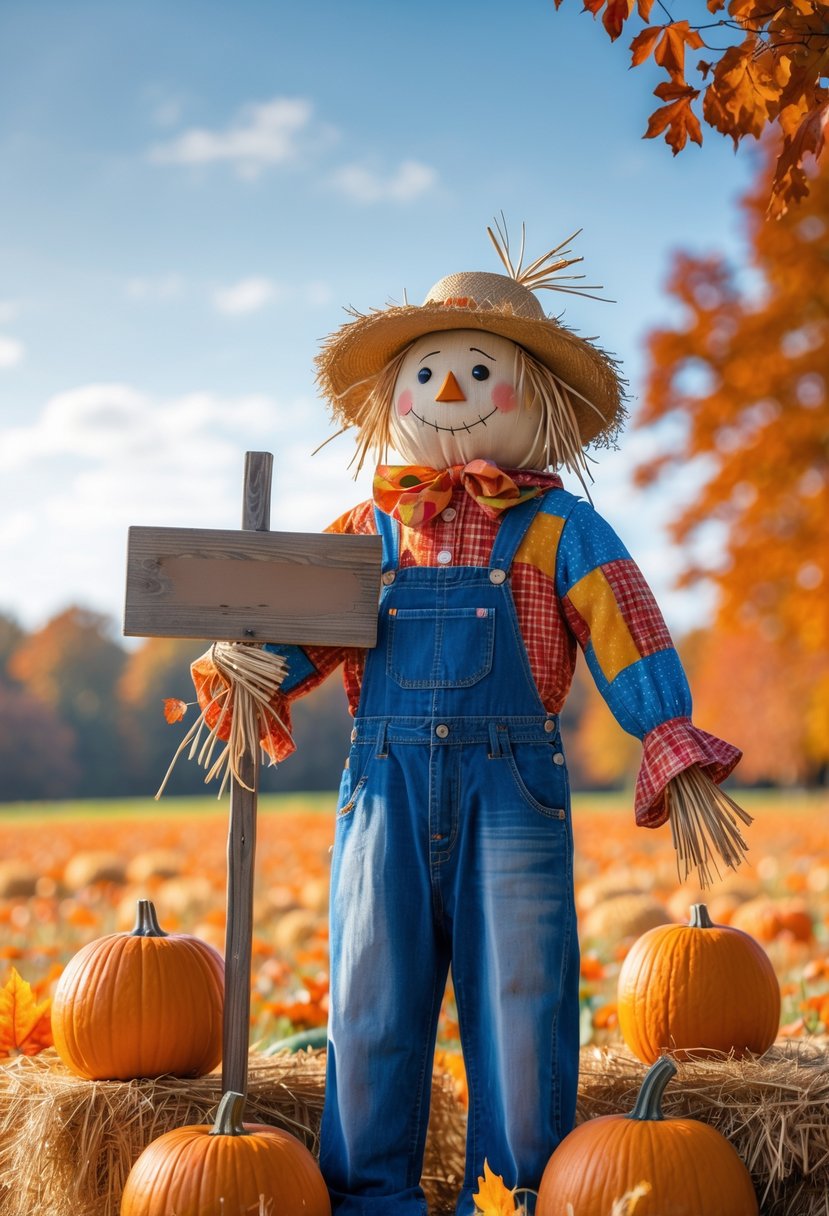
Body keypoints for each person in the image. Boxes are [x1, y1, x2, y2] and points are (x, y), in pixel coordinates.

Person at [194, 226, 745, 1215]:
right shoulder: (365, 533)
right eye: (430, 373)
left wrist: (666, 730)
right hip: (383, 790)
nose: (448, 392)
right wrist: (248, 669)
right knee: (370, 995)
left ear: (532, 398)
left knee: (521, 998)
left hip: (514, 793)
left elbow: (627, 626)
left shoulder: (558, 528)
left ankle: (516, 1193)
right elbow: (297, 638)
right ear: (393, 398)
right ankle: (370, 1196)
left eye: (476, 371)